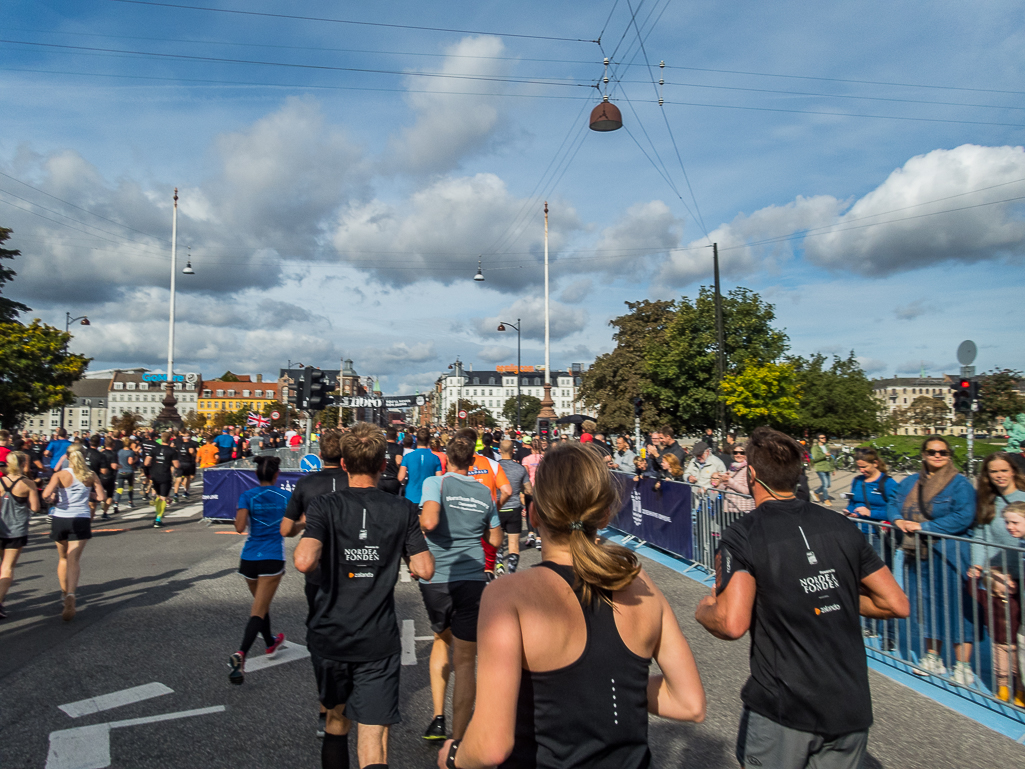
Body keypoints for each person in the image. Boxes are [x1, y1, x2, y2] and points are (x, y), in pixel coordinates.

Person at [437, 442, 706, 769]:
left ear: (533, 514)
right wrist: (615, 688)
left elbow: (491, 745)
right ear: (605, 515)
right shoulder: (639, 583)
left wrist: (453, 755)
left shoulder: (509, 595)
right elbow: (689, 702)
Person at [696, 426, 909, 769]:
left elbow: (731, 623)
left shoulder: (743, 533)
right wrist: (828, 594)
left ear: (751, 474)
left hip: (784, 708)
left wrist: (704, 609)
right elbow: (895, 602)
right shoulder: (840, 525)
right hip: (849, 702)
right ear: (797, 474)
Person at [294, 423, 434, 769]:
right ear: (381, 465)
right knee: (374, 738)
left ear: (343, 464)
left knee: (336, 723)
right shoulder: (401, 509)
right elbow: (426, 568)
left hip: (331, 633)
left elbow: (303, 559)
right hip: (377, 638)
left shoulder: (325, 506)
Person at [419, 436, 503, 744]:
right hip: (472, 577)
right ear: (472, 462)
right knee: (467, 659)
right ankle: (460, 738)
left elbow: (428, 521)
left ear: (447, 460)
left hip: (437, 576)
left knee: (441, 641)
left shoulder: (435, 483)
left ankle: (438, 718)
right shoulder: (484, 492)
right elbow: (495, 540)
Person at [885, 435, 975, 681]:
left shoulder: (960, 484)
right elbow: (893, 502)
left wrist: (927, 527)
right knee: (926, 605)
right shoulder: (910, 482)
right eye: (932, 451)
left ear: (949, 456)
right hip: (918, 554)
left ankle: (962, 665)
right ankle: (932, 656)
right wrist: (898, 520)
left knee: (957, 607)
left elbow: (964, 516)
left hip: (950, 553)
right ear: (923, 454)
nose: (937, 456)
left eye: (943, 452)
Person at [281, 429, 349, 736]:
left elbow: (286, 529)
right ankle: (346, 700)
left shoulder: (306, 483)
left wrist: (307, 521)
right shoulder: (352, 482)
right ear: (344, 455)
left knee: (320, 634)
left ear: (320, 453)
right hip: (350, 565)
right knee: (351, 630)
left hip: (317, 569)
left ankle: (326, 704)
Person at [228, 455, 290, 684]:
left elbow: (239, 527)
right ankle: (241, 654)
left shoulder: (247, 496)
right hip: (272, 557)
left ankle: (270, 642)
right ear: (276, 475)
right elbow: (294, 525)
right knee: (258, 610)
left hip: (249, 558)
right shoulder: (286, 496)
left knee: (260, 605)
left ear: (256, 475)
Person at [42, 444, 106, 622]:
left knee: (63, 558)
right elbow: (101, 497)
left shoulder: (60, 475)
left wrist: (53, 497)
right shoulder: (90, 475)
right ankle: (71, 593)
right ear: (84, 456)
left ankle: (64, 594)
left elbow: (46, 494)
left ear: (68, 457)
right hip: (81, 518)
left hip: (61, 517)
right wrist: (89, 495)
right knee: (74, 559)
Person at [0, 451, 41, 619]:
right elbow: (35, 508)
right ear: (24, 464)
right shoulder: (27, 483)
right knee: (7, 567)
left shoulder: (0, 481)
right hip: (16, 529)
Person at [496, 439, 532, 575]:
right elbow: (529, 490)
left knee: (498, 541)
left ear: (499, 450)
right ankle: (511, 572)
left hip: (498, 507)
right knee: (514, 545)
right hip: (514, 508)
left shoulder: (494, 467)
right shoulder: (520, 469)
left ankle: (499, 563)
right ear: (513, 451)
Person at [399, 428, 442, 505]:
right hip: (429, 497)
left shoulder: (407, 456)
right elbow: (439, 479)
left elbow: (401, 477)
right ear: (428, 440)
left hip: (411, 496)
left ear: (417, 439)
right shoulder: (435, 458)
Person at [146, 432, 180, 528]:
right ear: (170, 440)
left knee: (158, 495)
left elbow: (146, 462)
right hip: (165, 475)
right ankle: (158, 519)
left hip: (155, 475)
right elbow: (176, 465)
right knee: (163, 497)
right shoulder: (172, 451)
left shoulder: (154, 449)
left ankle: (157, 515)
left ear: (161, 439)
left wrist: (155, 463)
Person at [713, 442, 755, 514]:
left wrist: (729, 481)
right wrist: (723, 481)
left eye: (742, 453)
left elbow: (747, 491)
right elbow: (721, 489)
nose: (738, 455)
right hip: (730, 509)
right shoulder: (732, 468)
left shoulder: (748, 469)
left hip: (743, 510)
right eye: (736, 452)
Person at [522, 439, 543, 551]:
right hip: (540, 489)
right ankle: (539, 538)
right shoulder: (544, 459)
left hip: (529, 489)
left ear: (531, 447)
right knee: (539, 513)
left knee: (529, 511)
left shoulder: (526, 459)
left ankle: (531, 535)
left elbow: (524, 474)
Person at [114, 438, 138, 512]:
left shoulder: (119, 451)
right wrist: (135, 459)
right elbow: (130, 462)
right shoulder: (130, 452)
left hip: (120, 471)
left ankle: (116, 503)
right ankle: (130, 502)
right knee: (130, 487)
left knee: (120, 488)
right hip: (129, 471)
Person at [174, 431, 199, 501]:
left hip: (180, 462)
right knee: (187, 477)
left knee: (178, 479)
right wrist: (195, 455)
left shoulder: (179, 444)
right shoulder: (190, 444)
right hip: (188, 462)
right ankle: (185, 492)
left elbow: (175, 450)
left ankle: (175, 494)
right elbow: (191, 451)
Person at [810, 434, 835, 506]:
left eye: (825, 437)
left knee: (828, 485)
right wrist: (825, 455)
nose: (824, 438)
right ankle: (826, 499)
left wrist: (833, 468)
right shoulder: (815, 448)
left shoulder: (826, 446)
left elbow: (830, 458)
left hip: (827, 467)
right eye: (822, 438)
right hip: (820, 467)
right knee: (825, 484)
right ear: (818, 439)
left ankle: (816, 492)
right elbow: (815, 458)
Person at [378, 428, 403, 495]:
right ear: (396, 437)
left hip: (380, 478)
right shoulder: (398, 447)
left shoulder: (380, 446)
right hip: (392, 479)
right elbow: (398, 461)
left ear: (386, 436)